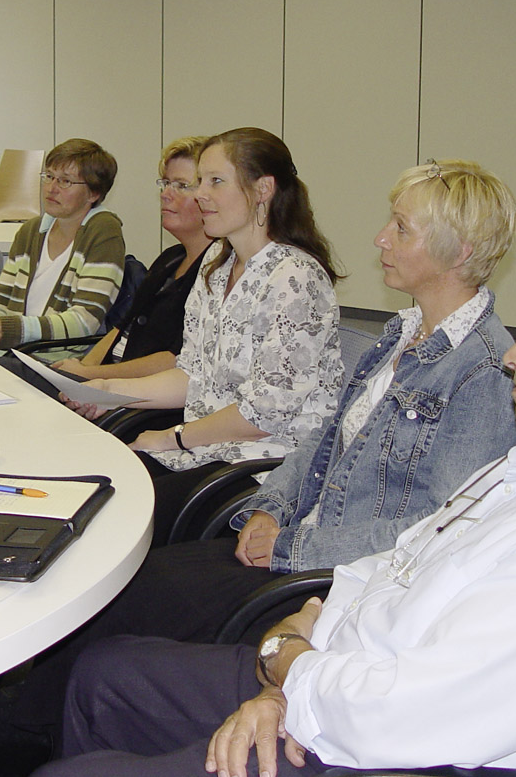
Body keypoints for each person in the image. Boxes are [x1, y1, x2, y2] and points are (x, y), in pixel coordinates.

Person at [19, 250, 516, 777]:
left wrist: (290, 670)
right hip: (343, 689)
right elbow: (388, 569)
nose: (514, 355)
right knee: (105, 676)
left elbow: (409, 721)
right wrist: (287, 670)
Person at [11, 158, 516, 735]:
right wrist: (270, 508)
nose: (381, 238)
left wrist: (291, 546)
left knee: (130, 603)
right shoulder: (402, 332)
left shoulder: (483, 371)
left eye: (401, 229)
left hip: (337, 580)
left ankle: (20, 737)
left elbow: (437, 529)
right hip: (298, 538)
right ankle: (26, 723)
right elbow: (324, 440)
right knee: (128, 584)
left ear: (459, 252)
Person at [75, 127, 342, 546]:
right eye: (200, 181)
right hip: (206, 449)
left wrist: (173, 437)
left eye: (216, 181)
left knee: (112, 516)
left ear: (263, 190)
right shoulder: (217, 265)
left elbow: (263, 416)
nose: (200, 194)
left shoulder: (295, 278)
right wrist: (108, 390)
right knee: (92, 484)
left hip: (266, 467)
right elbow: (193, 374)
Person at [52, 136, 214, 384]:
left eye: (181, 185)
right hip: (107, 383)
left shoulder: (216, 272)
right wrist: (80, 372)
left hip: (141, 396)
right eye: (165, 183)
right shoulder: (170, 258)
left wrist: (91, 376)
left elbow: (178, 359)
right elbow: (119, 329)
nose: (165, 195)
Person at [0, 139, 125, 357]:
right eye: (49, 176)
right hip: (14, 355)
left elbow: (85, 321)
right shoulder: (31, 231)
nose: (51, 188)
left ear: (93, 194)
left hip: (54, 361)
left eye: (65, 181)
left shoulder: (103, 231)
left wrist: (7, 329)